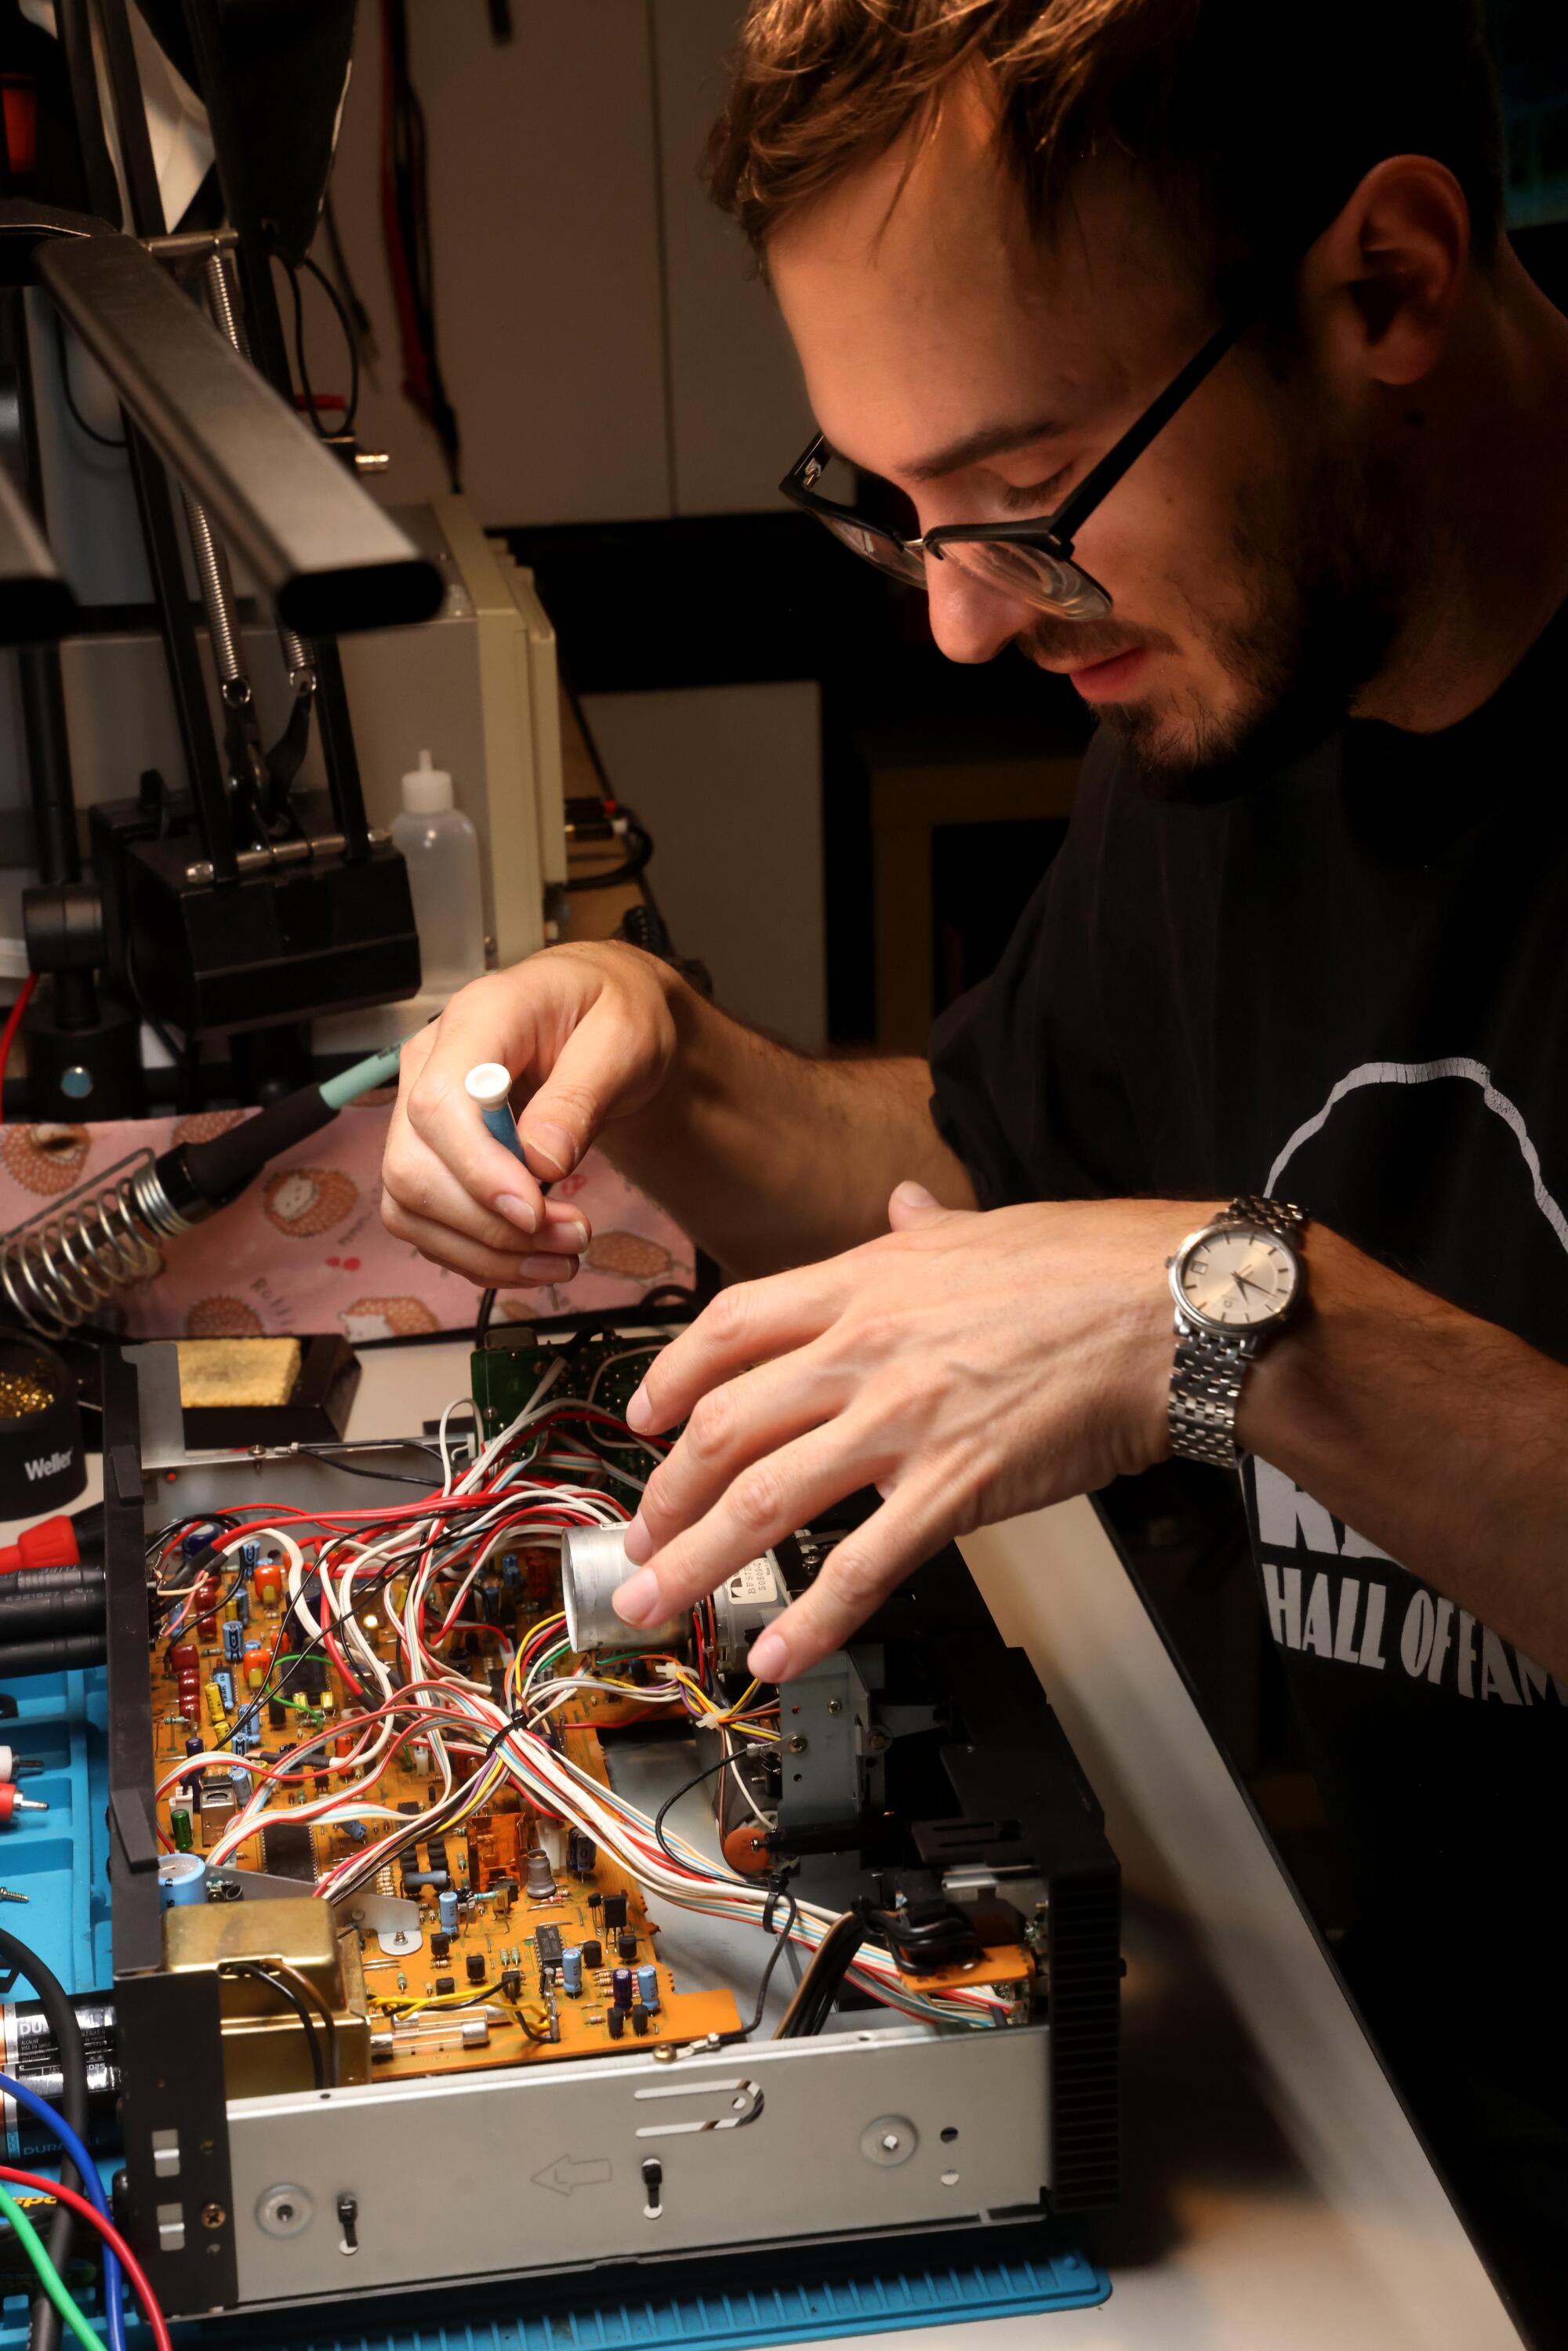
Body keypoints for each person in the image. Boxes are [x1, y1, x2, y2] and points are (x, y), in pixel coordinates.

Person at [383, 2, 1568, 2329]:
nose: (959, 618)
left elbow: (1148, 1281)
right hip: (1418, 2099)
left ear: (1390, 283)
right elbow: (997, 1175)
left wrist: (1234, 1313)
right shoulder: (1243, 667)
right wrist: (665, 1057)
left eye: (1024, 493)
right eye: (895, 511)